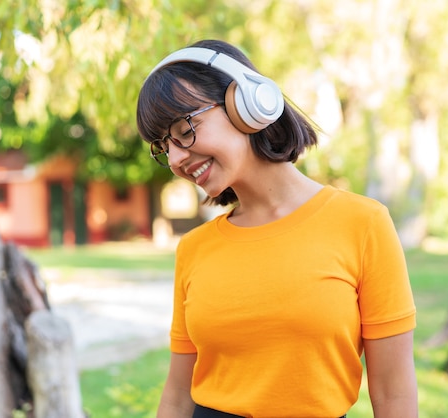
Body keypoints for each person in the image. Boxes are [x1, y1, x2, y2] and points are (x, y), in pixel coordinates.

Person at [136, 39, 418, 418]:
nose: (175, 158)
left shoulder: (363, 224)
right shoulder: (194, 248)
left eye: (183, 130)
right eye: (163, 146)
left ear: (247, 103)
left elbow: (394, 394)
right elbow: (176, 397)